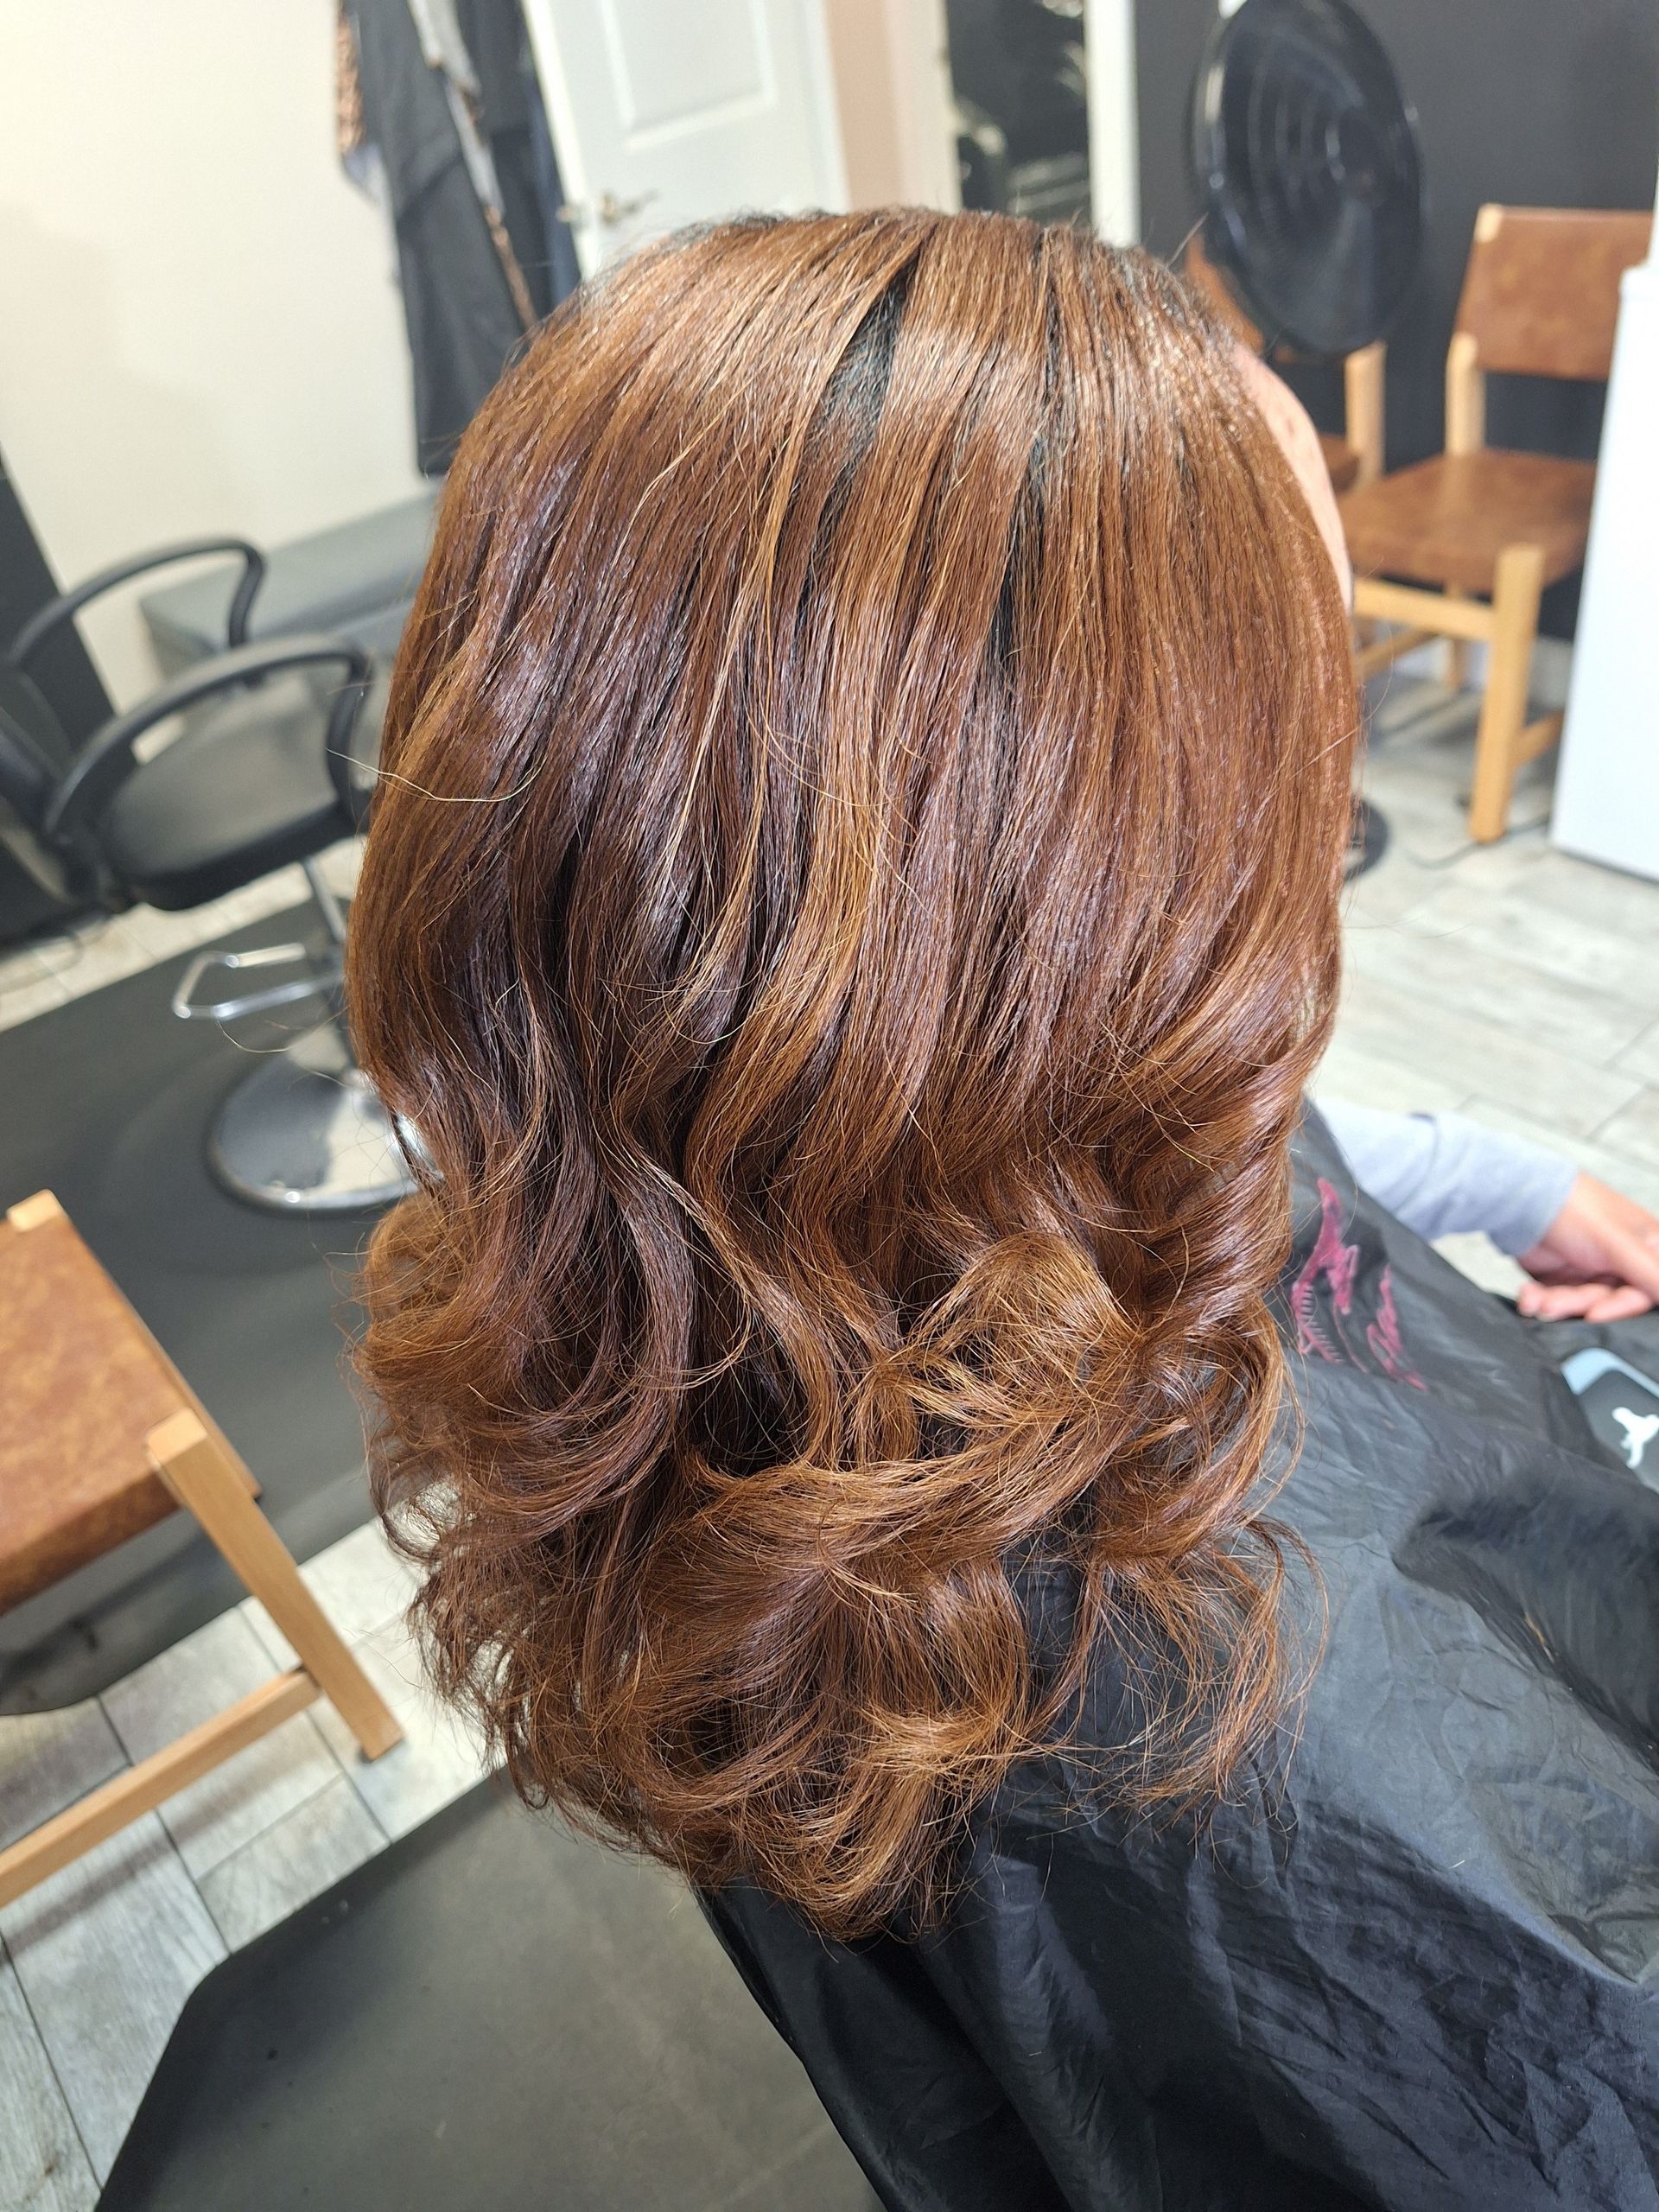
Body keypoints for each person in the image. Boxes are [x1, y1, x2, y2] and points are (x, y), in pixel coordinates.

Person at [346, 210, 1659, 2209]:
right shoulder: (1266, 1760)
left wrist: (1527, 1178)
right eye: (1289, 751)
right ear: (1093, 913)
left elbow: (1304, 1131)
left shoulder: (676, 1291)